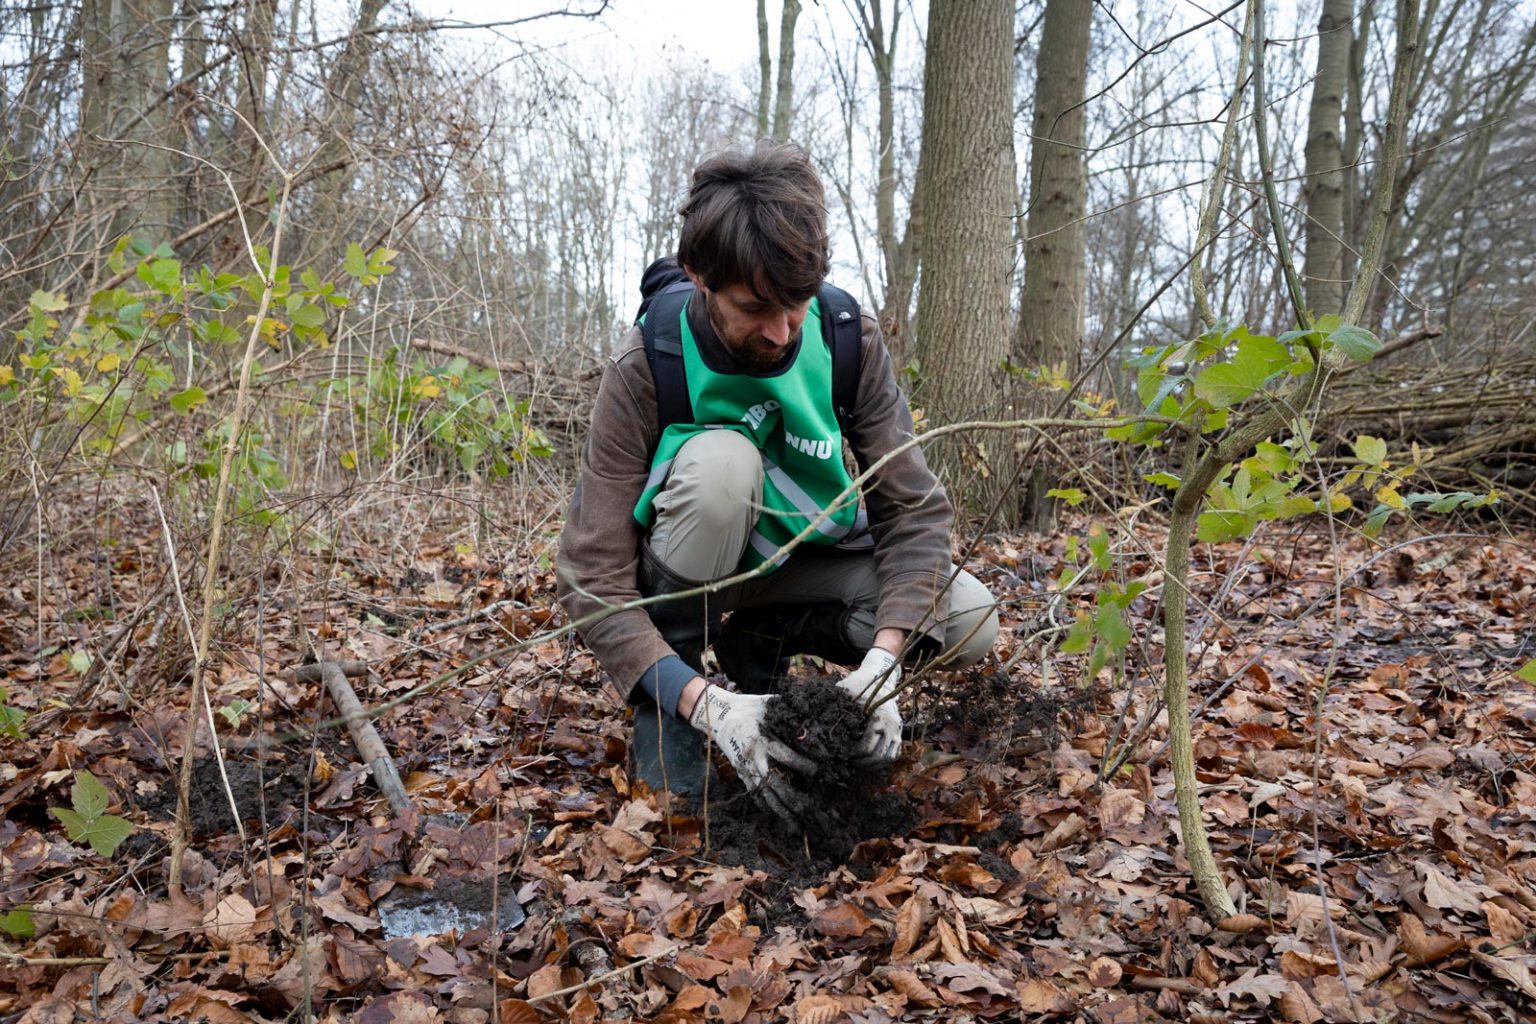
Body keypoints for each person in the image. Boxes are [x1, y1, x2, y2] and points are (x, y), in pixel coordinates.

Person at [556, 141, 998, 819]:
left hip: (808, 560)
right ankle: (678, 696)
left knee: (969, 618)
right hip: (691, 568)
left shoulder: (848, 338)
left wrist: (884, 661)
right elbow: (591, 575)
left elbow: (913, 513)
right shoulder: (650, 361)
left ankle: (763, 635)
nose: (782, 328)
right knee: (721, 468)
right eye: (755, 306)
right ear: (699, 274)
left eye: (796, 301)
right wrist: (707, 707)